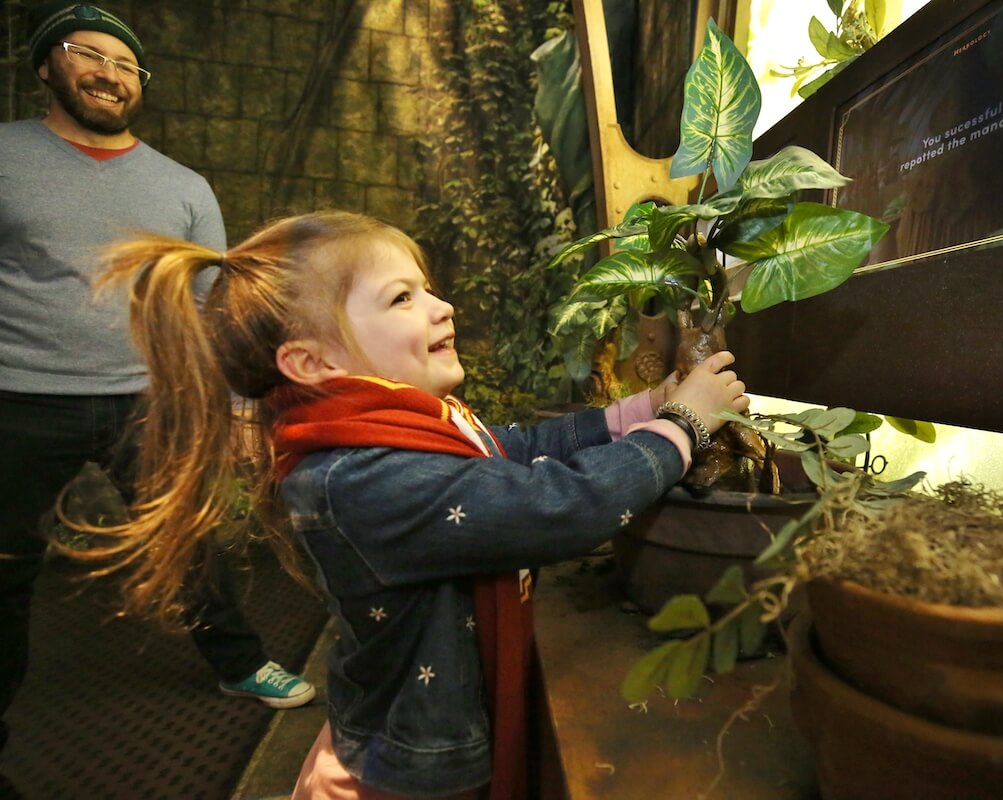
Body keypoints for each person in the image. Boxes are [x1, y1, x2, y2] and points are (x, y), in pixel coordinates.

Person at [90, 209, 750, 799]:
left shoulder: (404, 425)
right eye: (403, 297)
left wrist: (644, 408)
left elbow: (515, 448)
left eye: (426, 288)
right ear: (313, 362)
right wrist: (684, 427)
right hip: (407, 771)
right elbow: (555, 506)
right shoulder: (357, 475)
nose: (443, 307)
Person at [0, 0, 315, 754]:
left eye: (125, 64)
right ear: (47, 65)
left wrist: (238, 404)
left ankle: (239, 665)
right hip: (18, 397)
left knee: (192, 538)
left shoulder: (184, 186)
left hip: (151, 398)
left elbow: (214, 308)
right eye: (88, 53)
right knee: (6, 566)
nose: (108, 74)